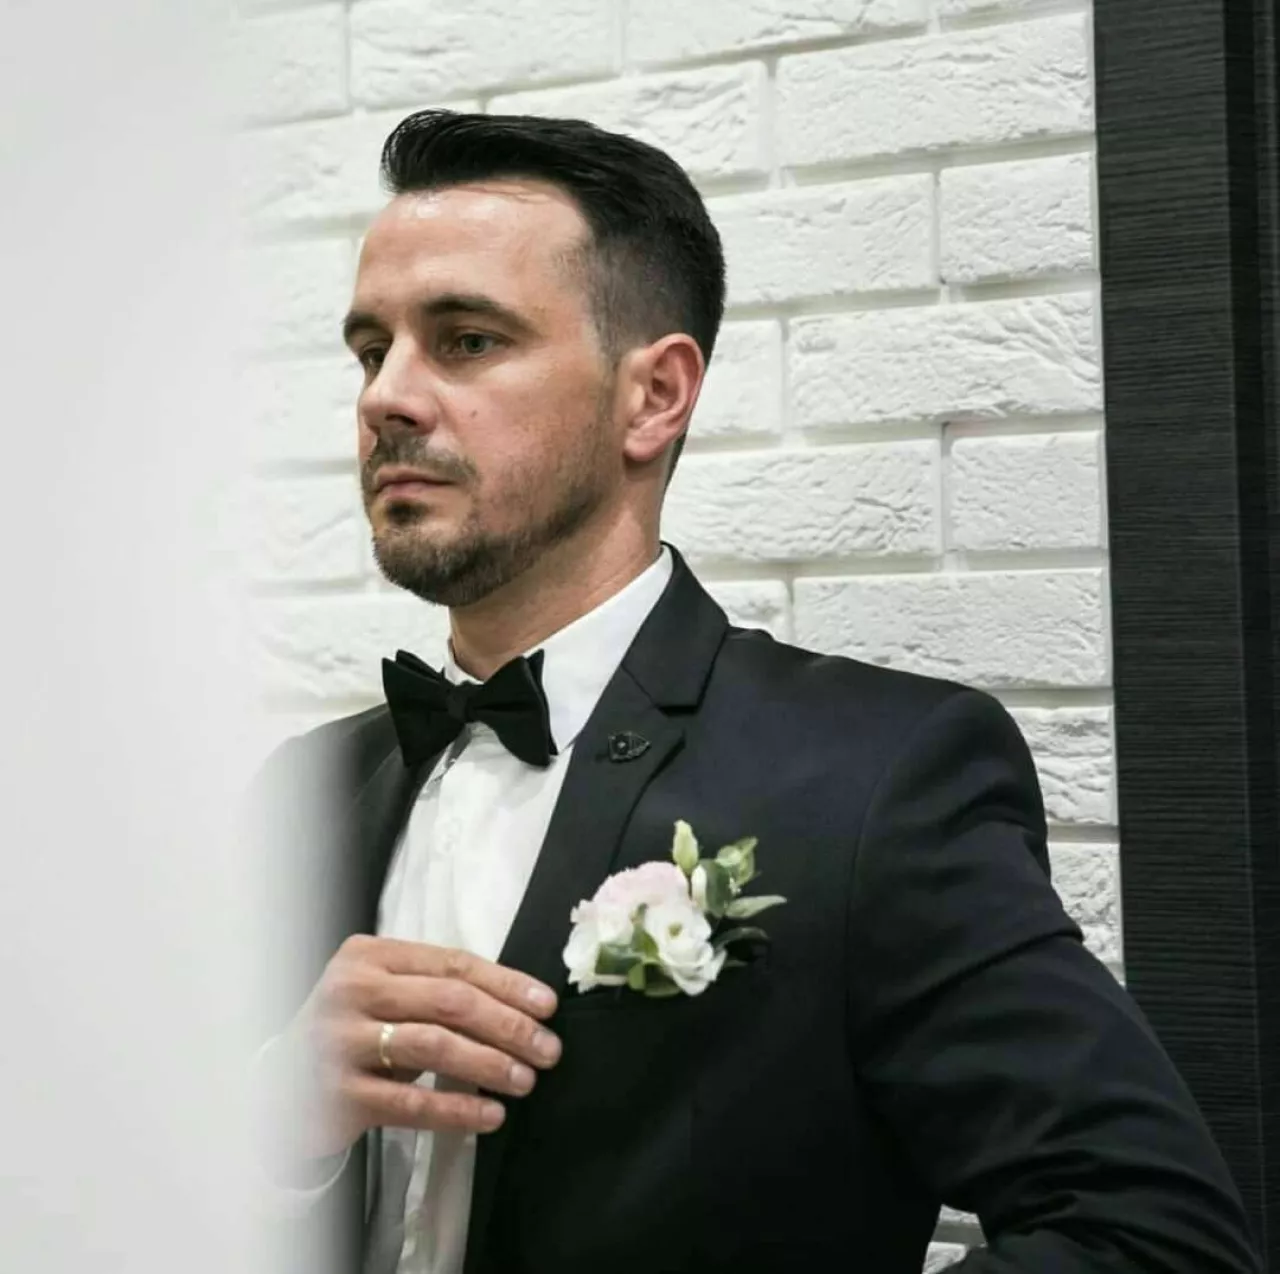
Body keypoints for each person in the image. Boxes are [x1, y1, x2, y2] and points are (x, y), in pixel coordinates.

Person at [249, 109, 1264, 1274]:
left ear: (652, 396)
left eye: (467, 339)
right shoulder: (302, 792)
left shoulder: (874, 778)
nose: (386, 396)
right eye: (370, 350)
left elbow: (1155, 1240)